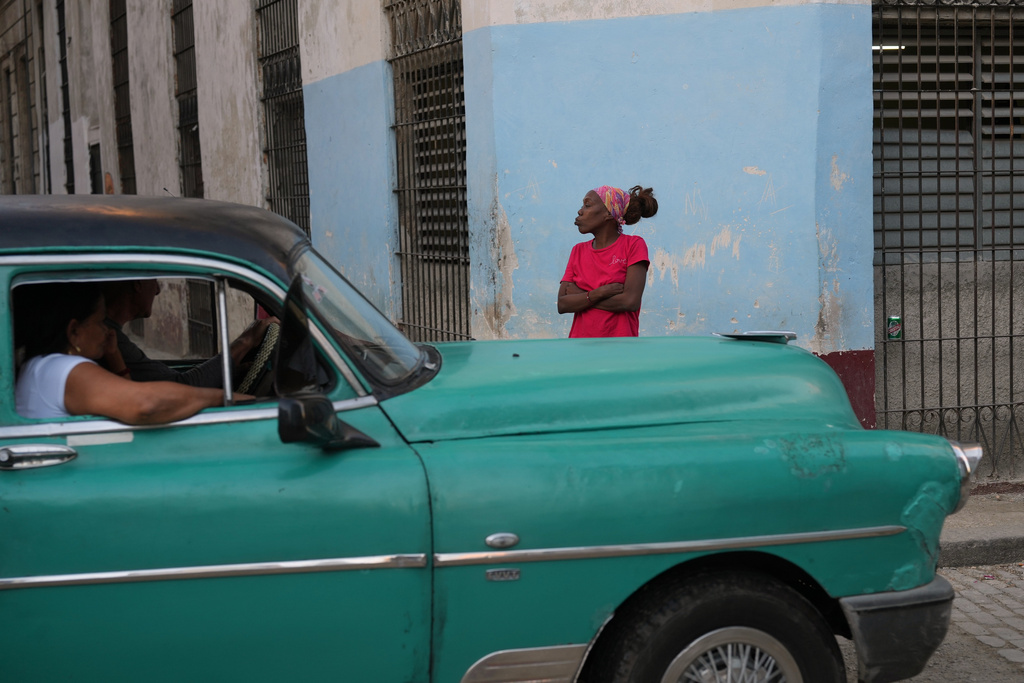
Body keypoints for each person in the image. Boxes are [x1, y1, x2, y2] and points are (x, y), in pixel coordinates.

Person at [14, 282, 238, 423]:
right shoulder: (62, 369)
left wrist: (115, 358)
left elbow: (128, 395)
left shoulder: (41, 365)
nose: (107, 332)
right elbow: (145, 404)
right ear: (74, 331)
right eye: (101, 322)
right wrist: (223, 397)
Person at [102, 279, 277, 388]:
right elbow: (185, 385)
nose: (157, 290)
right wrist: (246, 340)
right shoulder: (108, 341)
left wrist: (234, 371)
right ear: (137, 285)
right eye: (153, 280)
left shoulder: (114, 340)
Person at [558, 184, 658, 337]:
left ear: (609, 214)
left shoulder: (633, 245)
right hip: (580, 347)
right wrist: (599, 293)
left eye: (587, 205)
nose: (580, 211)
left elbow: (630, 302)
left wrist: (582, 297)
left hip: (619, 348)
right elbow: (563, 304)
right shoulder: (577, 250)